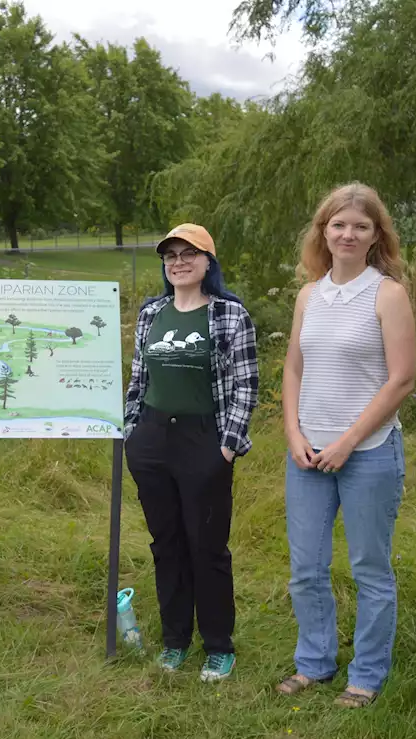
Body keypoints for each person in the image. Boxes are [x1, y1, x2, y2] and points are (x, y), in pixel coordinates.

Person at [275, 184, 416, 708]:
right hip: (307, 452)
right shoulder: (309, 295)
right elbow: (294, 365)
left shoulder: (387, 295)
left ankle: (368, 674)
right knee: (306, 567)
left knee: (369, 569)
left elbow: (402, 380)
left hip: (370, 452)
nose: (348, 234)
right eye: (338, 225)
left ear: (376, 234)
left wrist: (348, 442)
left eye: (360, 226)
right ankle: (314, 661)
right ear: (324, 232)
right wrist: (293, 431)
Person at [123, 223, 259, 682]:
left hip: (204, 441)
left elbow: (246, 386)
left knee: (208, 548)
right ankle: (175, 641)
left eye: (189, 253)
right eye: (170, 255)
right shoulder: (151, 314)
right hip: (153, 439)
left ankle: (219, 646)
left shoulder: (228, 316)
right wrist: (132, 432)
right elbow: (139, 379)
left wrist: (227, 447)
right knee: (167, 546)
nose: (178, 262)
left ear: (208, 262)